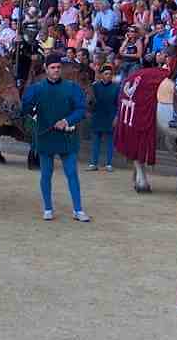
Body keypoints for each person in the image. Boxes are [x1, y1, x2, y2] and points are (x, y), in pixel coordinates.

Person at [21, 53, 91, 222]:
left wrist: (67, 120)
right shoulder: (37, 88)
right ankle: (48, 208)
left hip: (67, 136)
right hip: (46, 136)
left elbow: (81, 109)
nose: (56, 70)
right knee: (46, 174)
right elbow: (25, 108)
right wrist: (27, 105)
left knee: (72, 173)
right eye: (52, 68)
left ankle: (78, 209)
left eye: (58, 67)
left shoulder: (72, 87)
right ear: (46, 69)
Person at [87, 64, 119, 172]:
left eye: (110, 74)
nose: (108, 76)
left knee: (110, 143)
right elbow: (90, 101)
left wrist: (117, 117)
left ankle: (109, 164)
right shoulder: (95, 86)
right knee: (95, 142)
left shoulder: (116, 87)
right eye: (106, 74)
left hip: (111, 117)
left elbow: (119, 104)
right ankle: (93, 163)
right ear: (101, 75)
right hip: (97, 116)